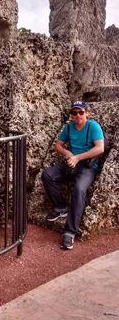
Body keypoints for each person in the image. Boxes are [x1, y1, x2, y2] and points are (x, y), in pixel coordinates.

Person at [41, 101, 104, 250]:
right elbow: (58, 145)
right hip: (71, 162)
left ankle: (70, 232)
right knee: (47, 175)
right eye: (74, 113)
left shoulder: (93, 126)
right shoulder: (69, 127)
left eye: (81, 112)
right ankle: (61, 207)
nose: (77, 116)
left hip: (87, 166)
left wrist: (78, 158)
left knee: (79, 188)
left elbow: (100, 148)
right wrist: (68, 153)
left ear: (87, 113)